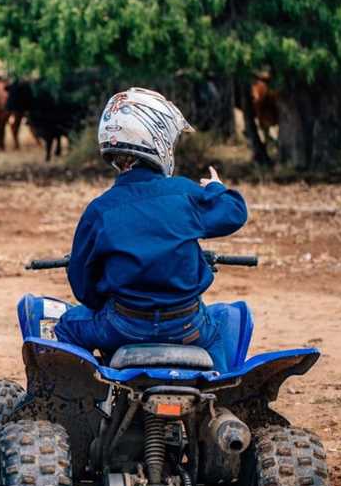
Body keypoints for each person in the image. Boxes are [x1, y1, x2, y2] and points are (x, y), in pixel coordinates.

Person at [54, 88, 248, 372]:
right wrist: (216, 187)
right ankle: (219, 397)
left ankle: (79, 405)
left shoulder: (100, 210)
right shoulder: (184, 193)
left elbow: (85, 291)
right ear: (160, 139)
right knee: (219, 332)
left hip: (123, 326)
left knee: (67, 327)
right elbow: (234, 212)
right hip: (187, 324)